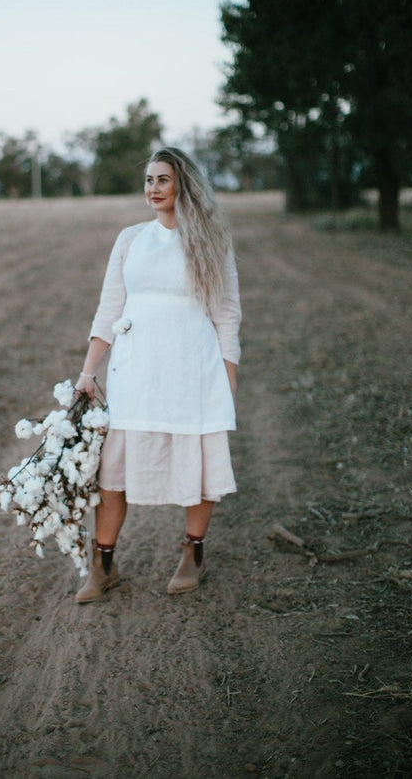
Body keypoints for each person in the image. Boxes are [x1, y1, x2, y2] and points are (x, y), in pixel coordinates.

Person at [74, 146, 241, 603]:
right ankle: (102, 564)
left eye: (162, 180)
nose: (153, 189)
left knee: (198, 466)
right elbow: (110, 307)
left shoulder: (211, 240)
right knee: (112, 474)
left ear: (182, 183)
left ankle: (193, 554)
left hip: (194, 369)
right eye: (149, 180)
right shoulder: (130, 239)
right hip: (136, 373)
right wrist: (89, 371)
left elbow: (227, 316)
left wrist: (227, 385)